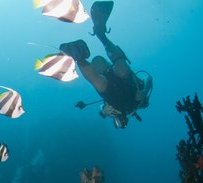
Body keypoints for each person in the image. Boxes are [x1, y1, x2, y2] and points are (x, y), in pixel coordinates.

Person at [60, 1, 153, 129]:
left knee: (99, 83)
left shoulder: (112, 111)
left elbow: (102, 109)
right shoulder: (140, 103)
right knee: (123, 70)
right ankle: (100, 34)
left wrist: (104, 111)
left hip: (108, 85)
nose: (122, 121)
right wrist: (145, 91)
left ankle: (79, 56)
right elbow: (149, 78)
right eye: (123, 123)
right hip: (123, 79)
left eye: (119, 123)